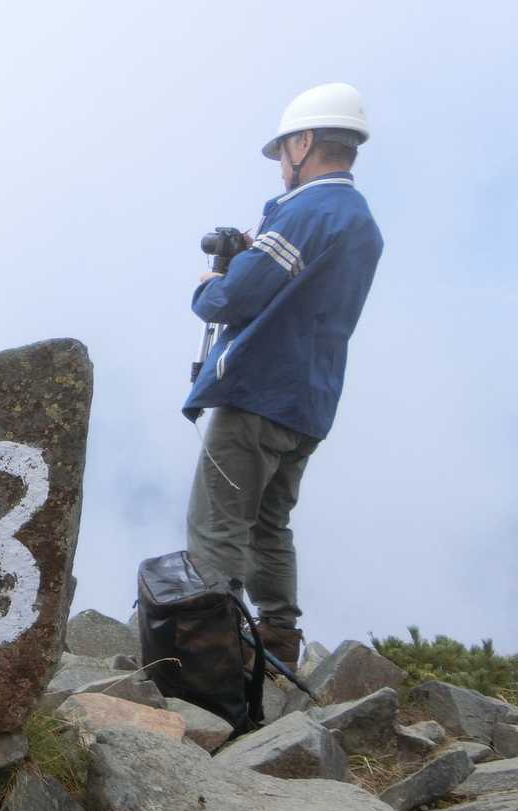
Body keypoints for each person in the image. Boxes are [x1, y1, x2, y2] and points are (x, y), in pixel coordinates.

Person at [182, 82, 384, 666]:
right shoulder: (362, 221)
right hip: (310, 403)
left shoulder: (304, 210)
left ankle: (212, 660)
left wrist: (210, 284)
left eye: (282, 153)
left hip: (257, 392)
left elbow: (232, 299)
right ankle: (278, 641)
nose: (280, 167)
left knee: (218, 524)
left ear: (304, 142)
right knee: (271, 524)